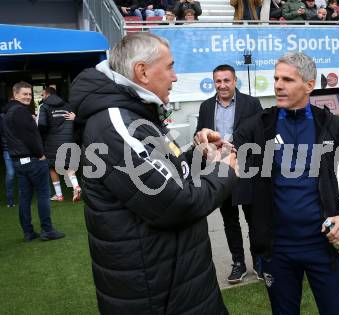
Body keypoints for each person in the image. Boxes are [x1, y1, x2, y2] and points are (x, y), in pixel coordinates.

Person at [69, 32, 238, 314]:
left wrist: (199, 154)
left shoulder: (132, 114)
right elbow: (176, 203)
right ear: (142, 71)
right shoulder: (116, 124)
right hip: (159, 293)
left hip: (176, 280)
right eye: (170, 66)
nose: (174, 77)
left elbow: (164, 174)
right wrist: (223, 172)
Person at [196, 52, 339, 314]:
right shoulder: (260, 125)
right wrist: (211, 144)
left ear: (309, 85)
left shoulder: (331, 126)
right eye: (276, 78)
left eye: (287, 79)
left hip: (323, 246)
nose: (278, 85)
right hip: (278, 251)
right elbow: (228, 150)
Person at [196, 64, 263, 284]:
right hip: (220, 171)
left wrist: (235, 148)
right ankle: (238, 263)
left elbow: (260, 134)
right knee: (229, 220)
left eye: (226, 80)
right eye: (218, 81)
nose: (222, 85)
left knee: (254, 218)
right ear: (213, 83)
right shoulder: (206, 107)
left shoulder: (252, 104)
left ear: (235, 81)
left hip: (247, 169)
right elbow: (201, 136)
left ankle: (260, 261)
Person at [3, 82, 65, 242]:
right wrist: (40, 154)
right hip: (32, 160)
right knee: (44, 194)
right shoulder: (20, 112)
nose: (28, 97)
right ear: (15, 95)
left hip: (18, 161)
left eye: (30, 94)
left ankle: (28, 232)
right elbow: (30, 137)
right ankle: (47, 230)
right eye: (24, 94)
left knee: (25, 197)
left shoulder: (9, 112)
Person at [37, 87, 82, 202]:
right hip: (68, 140)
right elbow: (76, 123)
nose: (42, 97)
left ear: (47, 94)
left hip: (51, 141)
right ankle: (76, 186)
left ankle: (59, 195)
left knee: (52, 167)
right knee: (68, 165)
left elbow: (41, 125)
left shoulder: (44, 106)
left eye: (42, 95)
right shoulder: (68, 106)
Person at [0, 103, 16, 207]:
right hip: (8, 150)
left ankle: (25, 199)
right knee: (10, 174)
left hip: (21, 151)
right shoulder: (2, 119)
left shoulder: (20, 117)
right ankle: (10, 201)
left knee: (23, 174)